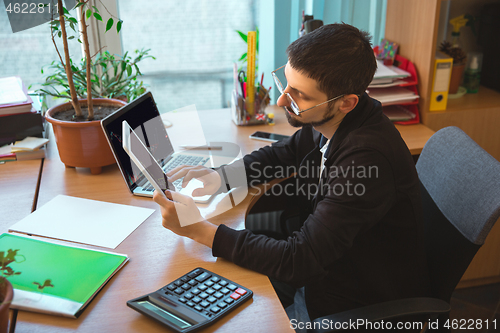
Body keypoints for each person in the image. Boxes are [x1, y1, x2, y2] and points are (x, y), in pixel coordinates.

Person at [153, 23, 430, 324]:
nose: (283, 100)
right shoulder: (335, 120)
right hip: (329, 272)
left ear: (346, 103)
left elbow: (300, 260)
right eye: (285, 83)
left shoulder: (366, 162)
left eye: (299, 95)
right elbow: (283, 153)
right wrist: (222, 177)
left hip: (351, 303)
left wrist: (199, 230)